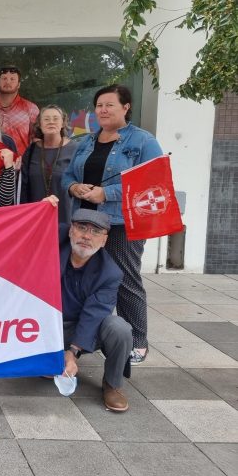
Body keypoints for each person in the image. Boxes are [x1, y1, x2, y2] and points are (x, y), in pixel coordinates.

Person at [63, 85, 163, 365]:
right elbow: (67, 174)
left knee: (125, 279)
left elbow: (152, 182)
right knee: (86, 276)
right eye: (99, 106)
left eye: (109, 105)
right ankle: (86, 334)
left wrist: (107, 193)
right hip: (86, 220)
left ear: (126, 107)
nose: (103, 110)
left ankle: (138, 341)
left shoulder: (143, 141)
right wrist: (73, 187)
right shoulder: (86, 141)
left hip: (121, 222)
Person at [58, 207, 131, 412]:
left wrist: (73, 352)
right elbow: (30, 227)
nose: (87, 236)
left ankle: (113, 384)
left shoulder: (110, 273)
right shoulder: (54, 241)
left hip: (78, 328)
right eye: (82, 228)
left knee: (119, 328)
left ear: (104, 240)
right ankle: (47, 361)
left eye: (96, 232)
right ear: (71, 230)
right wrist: (42, 208)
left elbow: (94, 315)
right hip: (43, 325)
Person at [20, 105, 78, 224]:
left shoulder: (76, 150)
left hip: (67, 220)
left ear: (63, 123)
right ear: (39, 124)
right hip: (35, 218)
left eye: (55, 118)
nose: (51, 122)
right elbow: (24, 187)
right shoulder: (31, 151)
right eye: (46, 119)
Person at [0, 65, 39, 155]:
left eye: (12, 79)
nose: (8, 81)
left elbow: (37, 140)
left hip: (20, 164)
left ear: (18, 84)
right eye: (4, 78)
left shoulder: (31, 108)